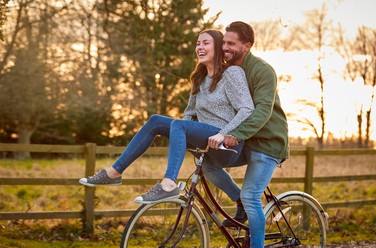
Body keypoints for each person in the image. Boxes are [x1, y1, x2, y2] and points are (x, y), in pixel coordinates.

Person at [79, 29, 254, 204]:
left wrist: (222, 133)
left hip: (227, 143)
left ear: (218, 47)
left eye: (205, 43)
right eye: (197, 43)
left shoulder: (232, 73)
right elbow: (189, 113)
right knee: (156, 120)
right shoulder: (199, 78)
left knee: (179, 125)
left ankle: (169, 184)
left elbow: (247, 108)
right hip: (206, 140)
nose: (200, 47)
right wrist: (183, 136)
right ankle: (114, 173)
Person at [201, 21, 289, 248]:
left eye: (231, 43)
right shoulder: (225, 70)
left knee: (252, 195)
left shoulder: (263, 71)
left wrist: (235, 134)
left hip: (267, 142)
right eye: (224, 42)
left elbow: (262, 111)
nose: (225, 47)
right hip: (242, 141)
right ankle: (238, 200)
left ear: (247, 46)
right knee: (209, 165)